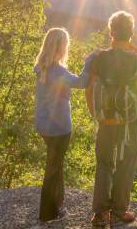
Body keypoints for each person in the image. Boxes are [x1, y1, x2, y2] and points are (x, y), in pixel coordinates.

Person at [86, 11, 137, 227]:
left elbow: (90, 89)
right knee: (127, 164)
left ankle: (100, 213)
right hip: (131, 122)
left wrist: (95, 113)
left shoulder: (99, 59)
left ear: (111, 32)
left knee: (104, 163)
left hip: (106, 121)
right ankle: (119, 210)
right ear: (131, 33)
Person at [34, 27, 92, 222]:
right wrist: (90, 61)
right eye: (66, 44)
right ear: (60, 47)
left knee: (55, 166)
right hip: (59, 128)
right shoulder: (58, 71)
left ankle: (57, 207)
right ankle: (47, 214)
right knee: (53, 169)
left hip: (44, 126)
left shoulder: (42, 67)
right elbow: (83, 82)